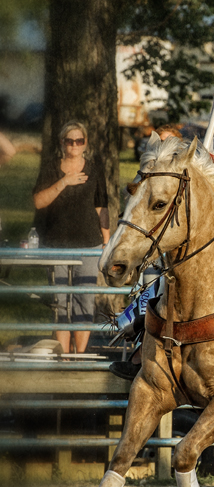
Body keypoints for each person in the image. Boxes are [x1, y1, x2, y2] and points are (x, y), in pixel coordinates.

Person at [33, 121, 109, 354]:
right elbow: (38, 201)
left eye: (79, 141)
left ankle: (79, 358)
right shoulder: (51, 168)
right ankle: (64, 359)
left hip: (88, 244)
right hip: (55, 244)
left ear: (85, 143)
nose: (74, 145)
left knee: (84, 302)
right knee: (60, 303)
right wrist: (64, 182)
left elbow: (101, 207)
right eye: (69, 141)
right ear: (62, 143)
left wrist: (107, 242)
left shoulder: (95, 169)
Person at [109, 126, 177, 380]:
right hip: (153, 258)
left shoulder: (183, 182)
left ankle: (145, 359)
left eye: (168, 144)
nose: (163, 149)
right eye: (159, 143)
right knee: (150, 305)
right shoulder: (146, 180)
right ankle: (140, 359)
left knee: (160, 301)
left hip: (177, 255)